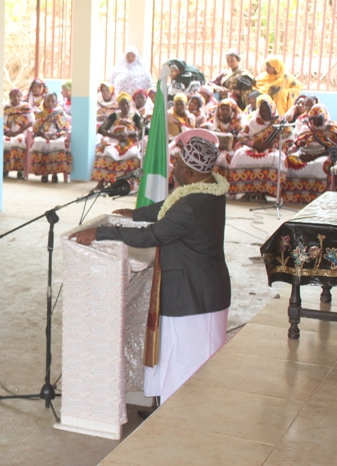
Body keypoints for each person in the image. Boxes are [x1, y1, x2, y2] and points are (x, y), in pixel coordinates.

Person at [71, 136, 231, 404]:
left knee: (186, 362)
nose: (173, 167)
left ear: (189, 173)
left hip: (193, 297)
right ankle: (173, 409)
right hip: (205, 290)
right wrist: (134, 214)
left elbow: (152, 235)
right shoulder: (208, 187)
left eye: (177, 163)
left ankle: (179, 417)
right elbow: (170, 206)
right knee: (184, 358)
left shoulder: (191, 206)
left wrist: (99, 232)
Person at [228, 95, 291, 201]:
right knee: (240, 155)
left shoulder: (281, 122)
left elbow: (288, 141)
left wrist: (271, 146)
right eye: (262, 110)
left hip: (273, 148)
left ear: (272, 109)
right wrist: (254, 144)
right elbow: (242, 137)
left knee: (276, 158)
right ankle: (248, 191)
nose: (265, 113)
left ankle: (263, 191)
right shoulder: (253, 122)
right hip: (253, 147)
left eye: (267, 110)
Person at [283, 104, 337, 204]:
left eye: (317, 118)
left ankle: (319, 199)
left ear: (324, 116)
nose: (314, 122)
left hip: (324, 155)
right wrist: (299, 144)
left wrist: (314, 156)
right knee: (290, 160)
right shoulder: (308, 128)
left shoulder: (333, 128)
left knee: (320, 164)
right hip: (305, 153)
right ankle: (295, 196)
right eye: (312, 119)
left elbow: (335, 148)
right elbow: (298, 141)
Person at [92, 92, 143, 187]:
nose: (125, 106)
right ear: (119, 105)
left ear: (130, 104)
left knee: (134, 156)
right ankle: (101, 183)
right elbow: (101, 129)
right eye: (122, 104)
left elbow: (143, 130)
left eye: (127, 103)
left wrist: (135, 134)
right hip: (114, 141)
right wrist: (116, 137)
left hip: (130, 142)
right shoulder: (114, 116)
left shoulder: (135, 116)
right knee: (107, 154)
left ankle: (129, 184)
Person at [30, 93, 72, 183]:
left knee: (59, 144)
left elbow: (66, 127)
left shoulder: (60, 112)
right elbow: (35, 128)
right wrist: (43, 135)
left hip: (57, 135)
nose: (50, 103)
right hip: (43, 135)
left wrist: (56, 134)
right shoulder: (40, 113)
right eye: (48, 101)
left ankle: (54, 173)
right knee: (39, 143)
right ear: (44, 101)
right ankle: (44, 173)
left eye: (53, 101)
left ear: (56, 102)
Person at [2, 89, 34, 179]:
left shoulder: (26, 107)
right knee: (3, 141)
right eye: (13, 96)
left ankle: (20, 170)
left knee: (19, 141)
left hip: (22, 133)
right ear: (10, 97)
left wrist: (19, 131)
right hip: (8, 133)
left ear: (21, 97)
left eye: (18, 96)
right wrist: (8, 132)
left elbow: (31, 122)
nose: (16, 98)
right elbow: (2, 122)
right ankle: (5, 169)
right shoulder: (6, 108)